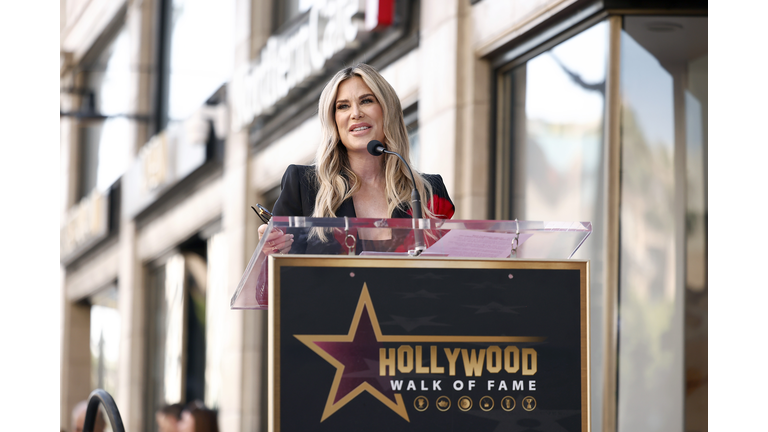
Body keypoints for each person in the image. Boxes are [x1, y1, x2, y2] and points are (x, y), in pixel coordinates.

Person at [258, 63, 455, 254]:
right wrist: (271, 250)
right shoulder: (303, 185)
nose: (356, 113)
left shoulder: (428, 191)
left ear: (387, 111)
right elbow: (278, 275)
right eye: (343, 106)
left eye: (366, 101)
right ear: (333, 121)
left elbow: (450, 272)